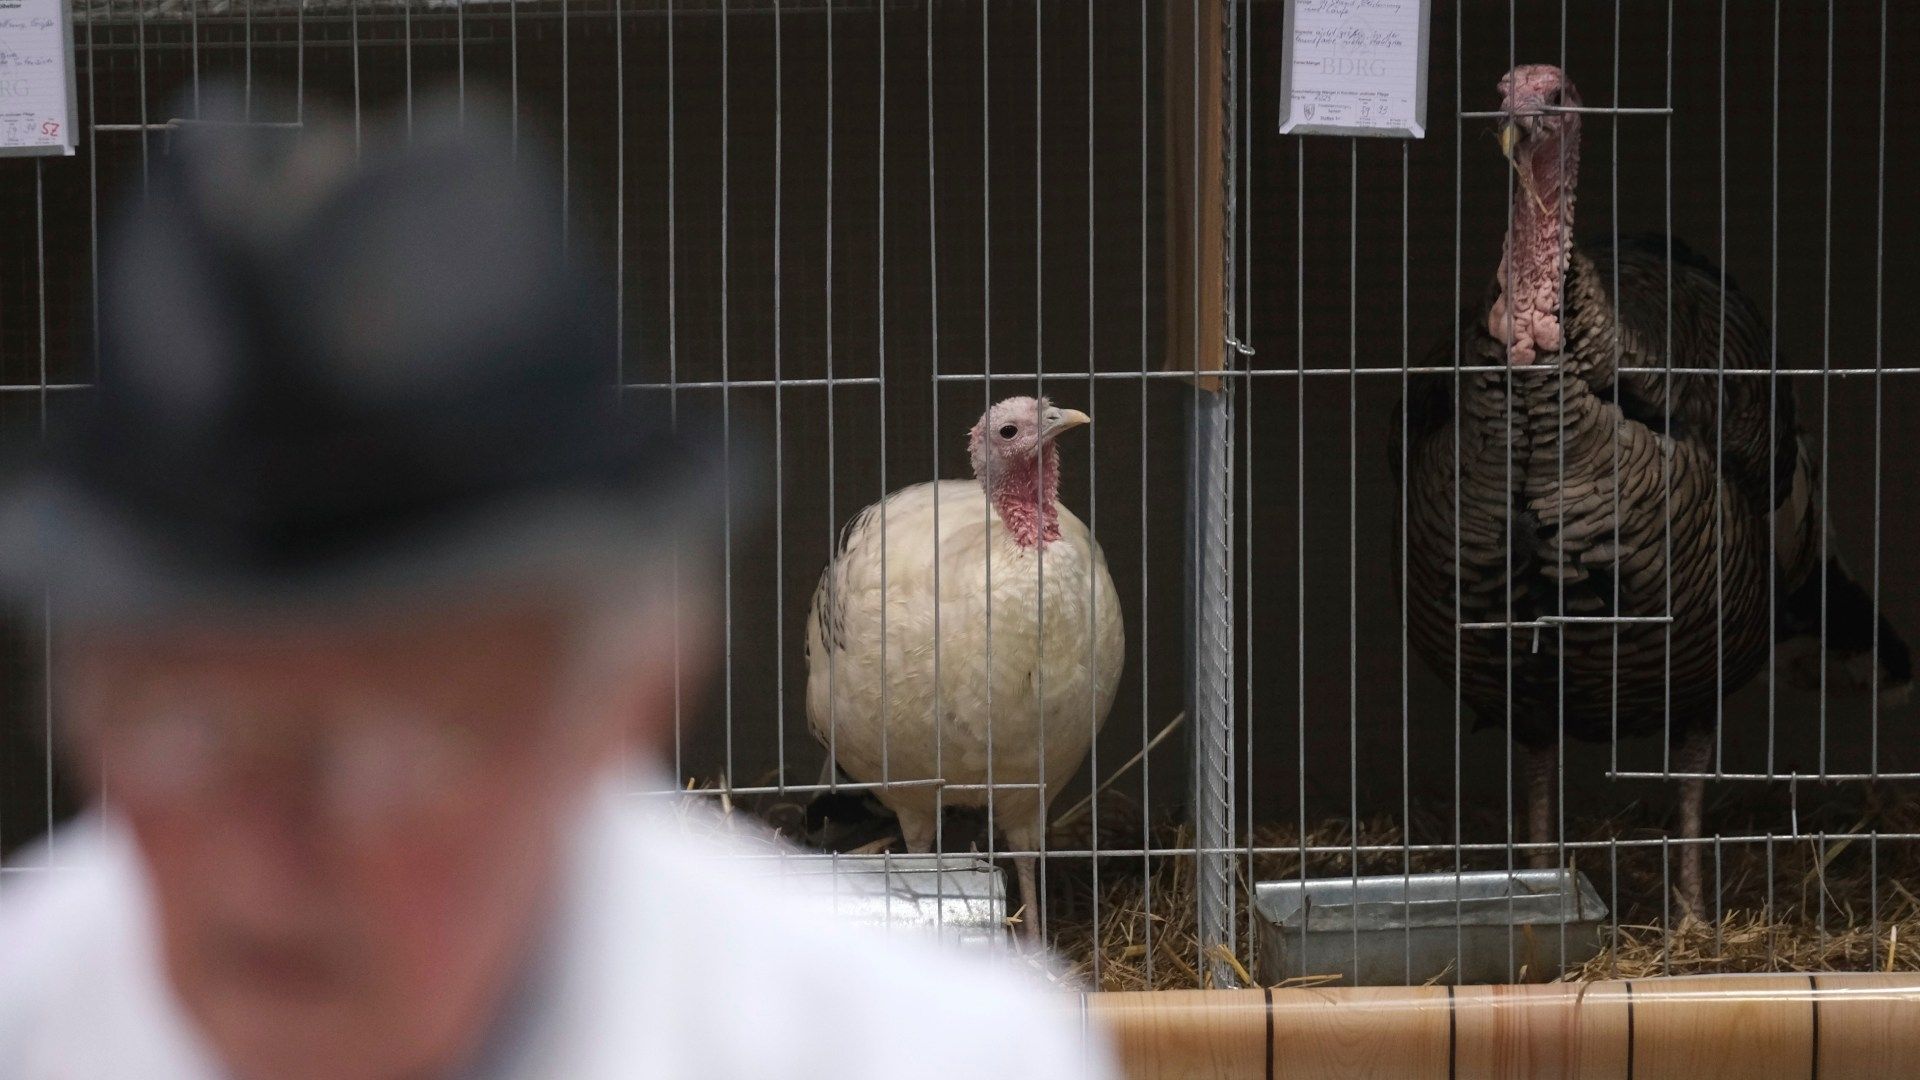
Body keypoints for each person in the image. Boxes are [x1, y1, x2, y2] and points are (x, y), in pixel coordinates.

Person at [0, 90, 1115, 1080]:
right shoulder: (26, 1017)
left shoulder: (911, 1052)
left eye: (397, 736)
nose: (262, 867)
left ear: (626, 697)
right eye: (177, 721)